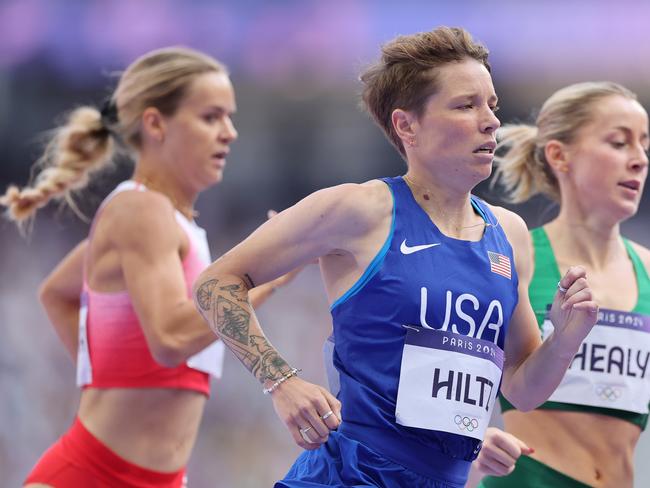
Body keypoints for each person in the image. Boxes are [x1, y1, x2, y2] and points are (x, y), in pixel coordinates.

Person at [191, 27, 599, 488]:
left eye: (493, 105)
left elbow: (522, 388)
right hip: (347, 477)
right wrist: (280, 381)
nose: (490, 122)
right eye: (467, 105)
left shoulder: (509, 235)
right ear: (408, 126)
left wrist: (565, 336)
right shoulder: (359, 210)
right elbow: (216, 282)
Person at [1, 46, 295, 488]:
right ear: (156, 124)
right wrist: (260, 280)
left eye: (230, 117)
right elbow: (171, 339)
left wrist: (107, 371)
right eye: (211, 117)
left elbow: (57, 293)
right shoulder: (141, 211)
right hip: (92, 475)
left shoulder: (167, 221)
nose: (230, 132)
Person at [474, 82, 649, 487]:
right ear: (559, 155)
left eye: (644, 145)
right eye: (619, 143)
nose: (640, 160)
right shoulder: (518, 258)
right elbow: (435, 364)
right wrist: (464, 436)